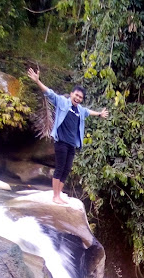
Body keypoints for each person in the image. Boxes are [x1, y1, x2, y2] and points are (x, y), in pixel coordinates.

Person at [27, 67, 109, 204]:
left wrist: (99, 114)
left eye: (80, 97)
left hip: (72, 144)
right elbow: (50, 93)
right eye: (76, 95)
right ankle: (55, 196)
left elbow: (88, 112)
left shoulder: (80, 110)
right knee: (59, 168)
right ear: (71, 94)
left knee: (66, 169)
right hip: (61, 142)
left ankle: (59, 194)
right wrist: (37, 81)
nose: (78, 98)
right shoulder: (62, 102)